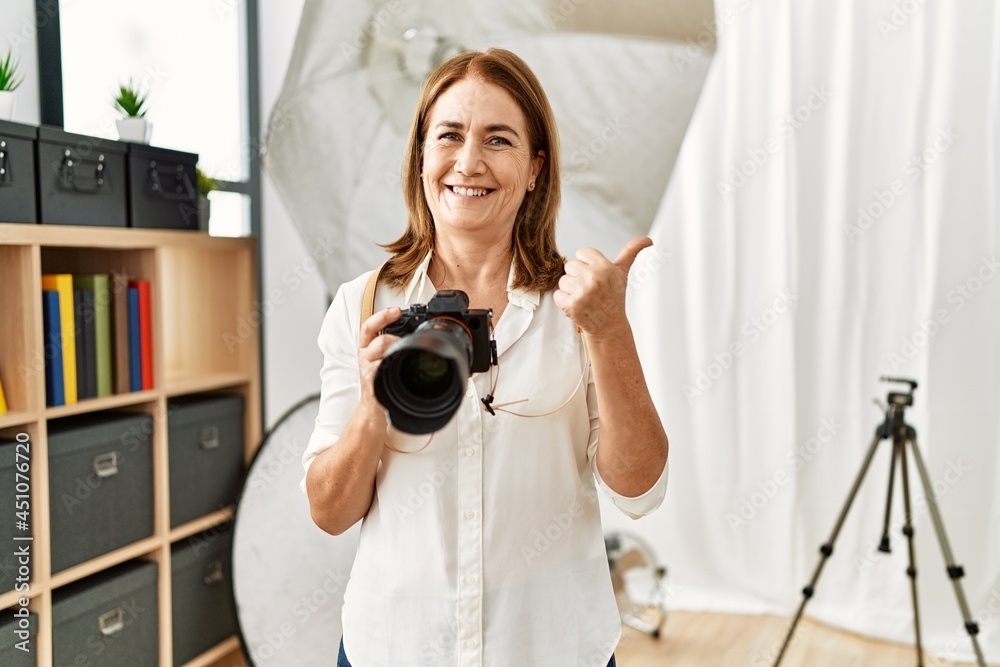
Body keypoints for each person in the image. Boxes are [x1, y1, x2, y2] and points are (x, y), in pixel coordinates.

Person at [302, 48, 669, 667]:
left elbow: (640, 490)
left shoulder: (581, 305)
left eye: (498, 139)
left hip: (552, 649)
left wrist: (610, 331)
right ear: (421, 157)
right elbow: (329, 512)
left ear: (534, 168)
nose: (469, 162)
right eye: (449, 135)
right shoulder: (362, 306)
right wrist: (373, 405)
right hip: (397, 649)